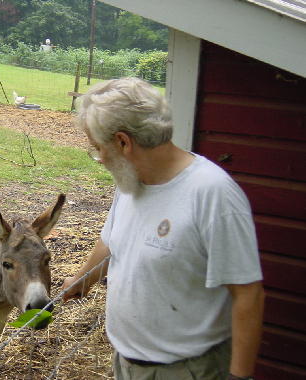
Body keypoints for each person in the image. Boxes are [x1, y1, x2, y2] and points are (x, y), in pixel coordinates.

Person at [62, 77, 264, 380]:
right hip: (127, 363)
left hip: (189, 370)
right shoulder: (130, 182)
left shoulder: (212, 193)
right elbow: (111, 242)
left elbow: (249, 293)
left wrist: (239, 377)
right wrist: (82, 279)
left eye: (97, 148)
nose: (100, 159)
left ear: (122, 142)